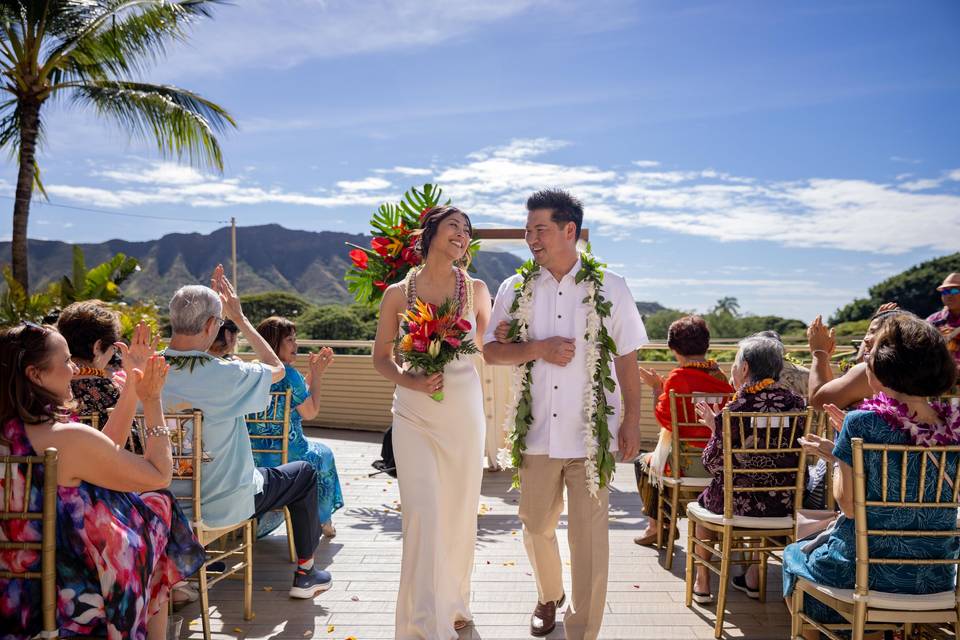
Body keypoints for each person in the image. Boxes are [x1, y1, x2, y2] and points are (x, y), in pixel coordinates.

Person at [484, 189, 647, 640]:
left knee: (590, 542)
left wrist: (632, 420)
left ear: (568, 230)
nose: (531, 238)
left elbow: (628, 358)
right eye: (527, 230)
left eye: (540, 229)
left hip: (591, 436)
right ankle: (548, 593)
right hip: (535, 432)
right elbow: (492, 351)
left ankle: (583, 631)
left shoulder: (611, 286)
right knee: (535, 527)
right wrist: (537, 348)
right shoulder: (513, 288)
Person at [0, 323, 204, 640]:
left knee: (154, 508)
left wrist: (132, 388)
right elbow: (159, 474)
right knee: (159, 505)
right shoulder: (64, 438)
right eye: (66, 361)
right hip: (71, 591)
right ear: (35, 375)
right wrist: (151, 400)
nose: (75, 369)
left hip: (14, 589)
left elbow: (102, 454)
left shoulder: (23, 433)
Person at [160, 265, 332, 599]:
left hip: (165, 504)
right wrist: (240, 317)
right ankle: (306, 572)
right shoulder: (226, 374)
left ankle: (194, 563)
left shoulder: (144, 370)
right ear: (213, 325)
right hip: (223, 503)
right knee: (305, 472)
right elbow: (278, 371)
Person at [784, 314, 959, 639]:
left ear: (885, 367)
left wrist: (839, 456)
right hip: (935, 574)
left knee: (793, 556)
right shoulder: (952, 424)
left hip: (866, 572)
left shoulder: (861, 423)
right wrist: (839, 450)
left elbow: (849, 507)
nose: (866, 359)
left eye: (872, 354)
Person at [373, 205, 491, 640]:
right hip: (413, 413)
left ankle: (455, 603)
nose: (462, 235)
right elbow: (380, 358)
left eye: (467, 231)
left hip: (463, 412)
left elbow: (488, 347)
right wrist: (411, 379)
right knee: (422, 515)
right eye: (454, 227)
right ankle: (424, 624)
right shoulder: (395, 295)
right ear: (432, 233)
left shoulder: (477, 289)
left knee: (459, 514)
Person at [690, 334, 806, 604]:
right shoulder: (797, 404)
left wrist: (714, 426)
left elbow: (713, 463)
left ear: (744, 369)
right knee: (755, 493)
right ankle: (753, 578)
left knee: (703, 505)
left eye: (734, 363)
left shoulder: (737, 407)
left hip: (738, 502)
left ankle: (703, 582)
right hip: (783, 500)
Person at [631, 315, 733, 546]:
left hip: (685, 465)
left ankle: (657, 527)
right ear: (706, 344)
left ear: (673, 347)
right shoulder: (721, 376)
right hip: (718, 464)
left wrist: (657, 388)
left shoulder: (678, 378)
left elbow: (664, 419)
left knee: (642, 462)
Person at [252, 316, 343, 539]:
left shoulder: (252, 371)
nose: (296, 345)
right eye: (290, 340)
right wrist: (318, 376)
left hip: (254, 458)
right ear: (274, 343)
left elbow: (296, 395)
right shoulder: (289, 374)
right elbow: (310, 412)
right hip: (290, 458)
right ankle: (324, 520)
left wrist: (312, 373)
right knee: (323, 453)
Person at [807, 304, 903, 411]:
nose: (866, 339)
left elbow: (820, 402)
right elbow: (861, 359)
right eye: (869, 331)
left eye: (873, 332)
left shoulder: (872, 371)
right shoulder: (908, 367)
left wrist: (819, 353)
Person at [927, 272, 960, 374]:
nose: (949, 296)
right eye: (945, 292)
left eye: (954, 291)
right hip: (942, 383)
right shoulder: (932, 321)